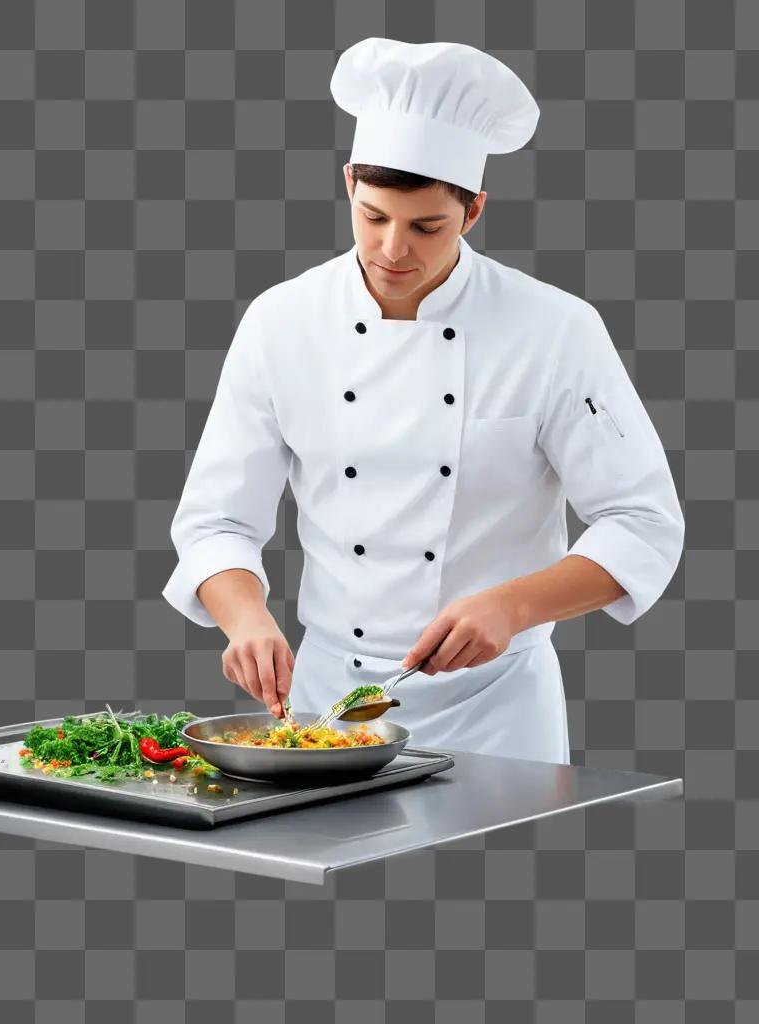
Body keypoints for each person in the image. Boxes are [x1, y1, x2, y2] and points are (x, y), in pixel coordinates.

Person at [160, 39, 684, 764]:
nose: (392, 248)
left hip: (496, 709)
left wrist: (513, 605)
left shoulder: (555, 329)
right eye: (373, 216)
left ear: (473, 211)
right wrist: (244, 618)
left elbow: (643, 523)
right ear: (348, 182)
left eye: (425, 226)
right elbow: (216, 519)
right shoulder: (281, 321)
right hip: (327, 706)